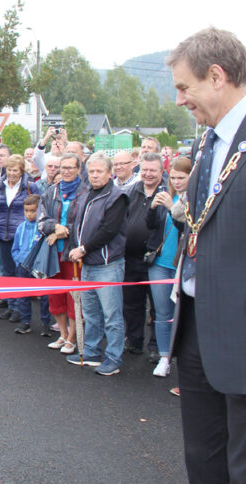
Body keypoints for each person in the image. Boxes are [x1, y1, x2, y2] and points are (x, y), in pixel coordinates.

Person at [167, 27, 246, 482]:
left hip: (240, 330)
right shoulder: (207, 143)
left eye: (184, 87)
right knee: (203, 458)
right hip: (196, 327)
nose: (179, 100)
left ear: (216, 76)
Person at [66, 152, 128, 376]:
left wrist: (83, 249)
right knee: (91, 313)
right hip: (88, 265)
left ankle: (113, 358)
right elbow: (77, 224)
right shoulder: (86, 194)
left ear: (109, 173)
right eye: (91, 171)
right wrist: (76, 247)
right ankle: (92, 351)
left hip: (107, 265)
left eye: (99, 171)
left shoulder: (117, 197)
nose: (94, 175)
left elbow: (109, 230)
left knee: (112, 316)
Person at [37, 153, 88, 355]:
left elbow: (87, 223)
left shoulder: (86, 192)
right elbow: (41, 220)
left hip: (74, 255)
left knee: (74, 297)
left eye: (70, 168)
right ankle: (63, 334)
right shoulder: (51, 191)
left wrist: (63, 230)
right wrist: (55, 227)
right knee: (55, 296)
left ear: (78, 169)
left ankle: (73, 338)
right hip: (53, 253)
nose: (66, 171)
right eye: (63, 167)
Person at [146, 156, 191, 377]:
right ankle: (164, 358)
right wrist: (153, 208)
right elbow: (150, 225)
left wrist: (172, 208)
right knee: (162, 313)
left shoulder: (195, 199)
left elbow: (187, 228)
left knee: (185, 317)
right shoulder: (166, 194)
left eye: (181, 177)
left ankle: (186, 362)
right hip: (160, 263)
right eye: (173, 177)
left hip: (184, 263)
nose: (176, 182)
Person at [122, 152, 165, 359]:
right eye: (145, 170)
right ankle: (134, 340)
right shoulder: (131, 191)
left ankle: (156, 346)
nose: (148, 174)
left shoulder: (167, 192)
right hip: (131, 258)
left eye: (152, 170)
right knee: (131, 304)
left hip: (157, 260)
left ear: (161, 171)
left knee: (157, 306)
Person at [0, 154, 40, 322]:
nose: (12, 173)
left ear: (22, 172)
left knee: (20, 273)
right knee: (6, 272)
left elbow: (38, 207)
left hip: (22, 236)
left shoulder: (30, 187)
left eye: (15, 170)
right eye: (9, 170)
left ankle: (20, 308)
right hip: (1, 234)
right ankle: (11, 306)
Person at [10, 194, 50, 334]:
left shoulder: (43, 228)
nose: (29, 214)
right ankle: (25, 321)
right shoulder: (20, 227)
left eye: (33, 211)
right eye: (26, 211)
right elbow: (15, 248)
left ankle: (46, 323)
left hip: (39, 267)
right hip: (23, 267)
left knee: (45, 296)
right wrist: (18, 260)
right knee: (23, 295)